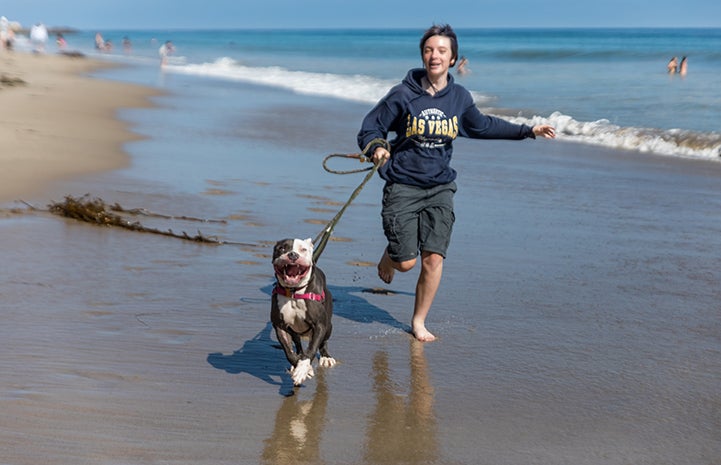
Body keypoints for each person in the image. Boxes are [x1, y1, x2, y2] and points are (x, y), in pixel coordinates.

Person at [357, 24, 556, 342]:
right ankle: (392, 256)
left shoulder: (459, 97)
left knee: (433, 257)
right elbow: (371, 126)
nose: (434, 55)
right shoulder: (403, 94)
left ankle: (419, 321)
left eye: (441, 50)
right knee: (407, 262)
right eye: (429, 49)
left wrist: (527, 130)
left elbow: (483, 126)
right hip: (403, 184)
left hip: (440, 186)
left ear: (453, 59)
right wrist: (377, 147)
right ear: (423, 54)